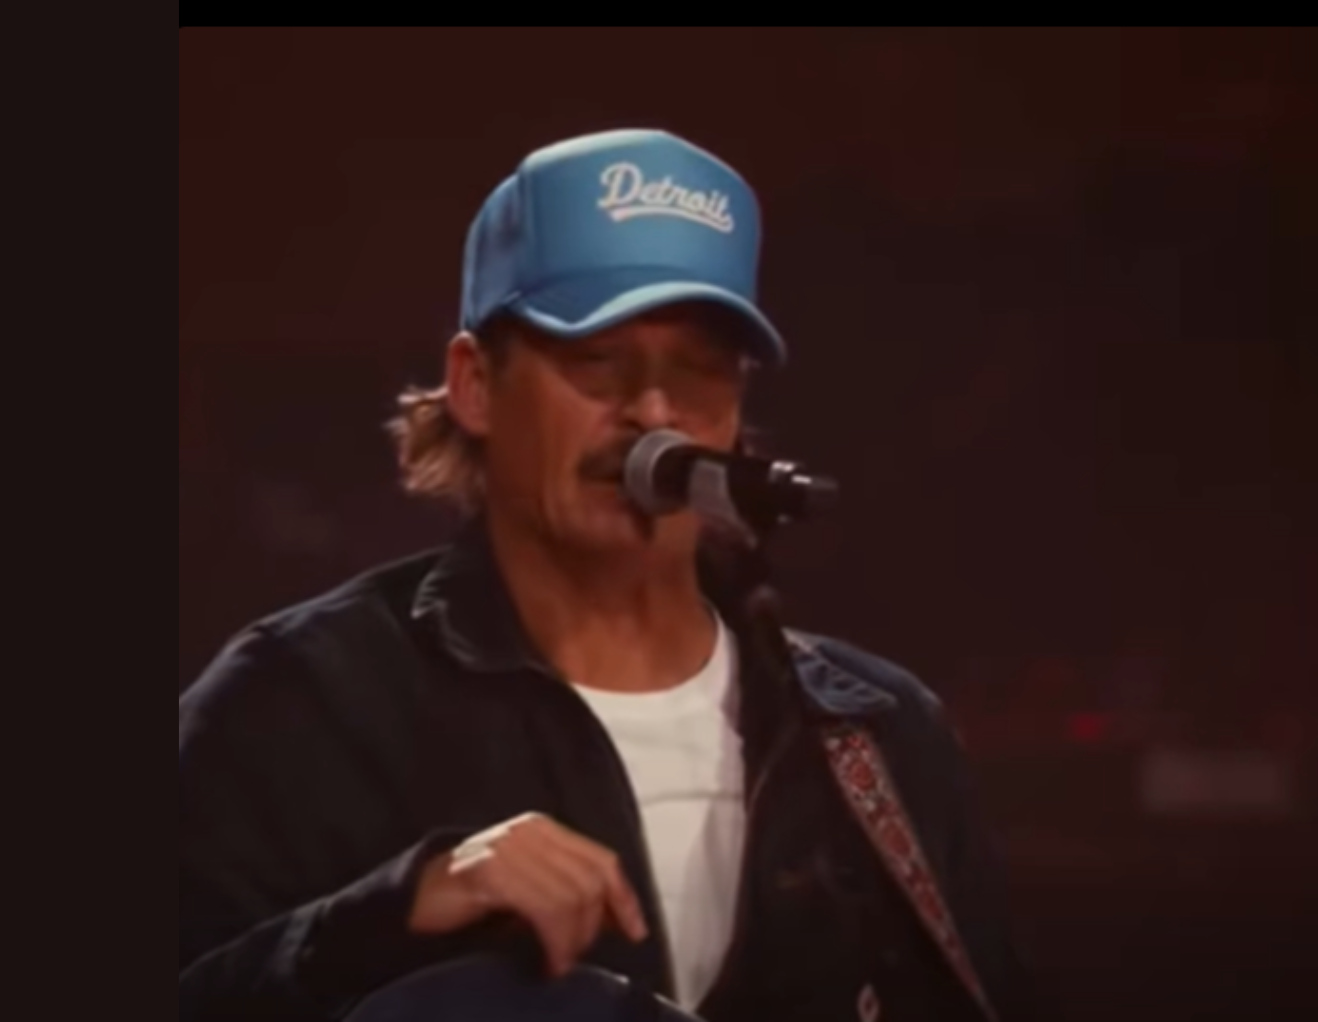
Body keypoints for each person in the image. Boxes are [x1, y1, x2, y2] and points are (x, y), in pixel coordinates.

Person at [179, 128, 1035, 1022]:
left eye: (699, 369)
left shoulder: (882, 733)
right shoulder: (298, 703)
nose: (654, 412)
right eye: (596, 360)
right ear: (474, 384)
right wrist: (388, 915)